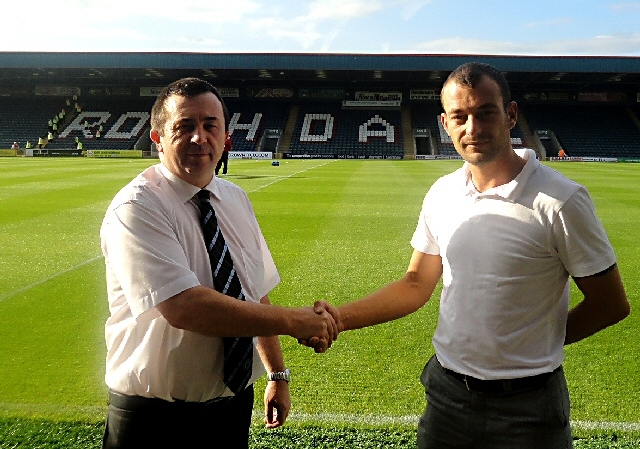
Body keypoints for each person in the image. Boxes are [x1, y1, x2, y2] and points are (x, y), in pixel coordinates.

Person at [305, 62, 630, 449]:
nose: (472, 129)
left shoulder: (561, 201)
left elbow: (611, 304)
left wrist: (537, 343)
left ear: (510, 115)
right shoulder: (442, 193)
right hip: (447, 397)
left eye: (485, 113)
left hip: (529, 408)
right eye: (460, 116)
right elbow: (415, 284)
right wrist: (340, 318)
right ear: (445, 123)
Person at [100, 77, 338, 449]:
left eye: (211, 125)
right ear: (158, 137)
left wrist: (277, 373)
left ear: (226, 135)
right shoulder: (137, 208)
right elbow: (184, 307)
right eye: (185, 126)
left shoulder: (235, 199)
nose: (200, 137)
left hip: (230, 407)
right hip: (155, 418)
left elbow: (254, 292)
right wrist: (296, 321)